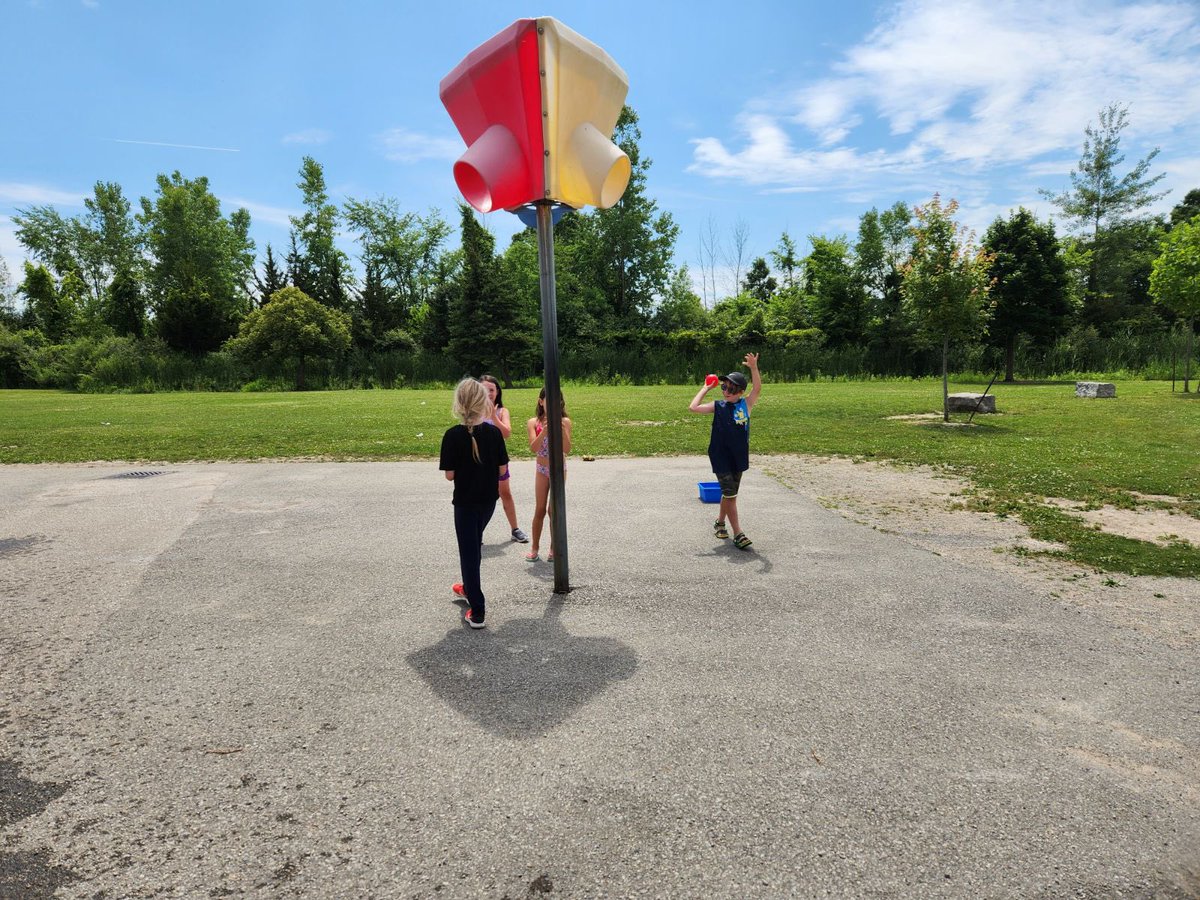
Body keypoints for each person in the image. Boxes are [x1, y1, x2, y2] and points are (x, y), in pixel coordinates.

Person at [439, 377, 509, 629]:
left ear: (459, 404)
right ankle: (468, 587)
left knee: (469, 553)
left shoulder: (452, 436)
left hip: (466, 502)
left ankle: (477, 609)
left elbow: (450, 475)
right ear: (485, 404)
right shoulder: (494, 434)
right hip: (488, 501)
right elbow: (502, 469)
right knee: (473, 545)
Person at [688, 352, 762, 550]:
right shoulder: (717, 406)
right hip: (720, 456)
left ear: (740, 391)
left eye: (731, 388)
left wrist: (753, 368)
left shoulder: (746, 404)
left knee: (730, 495)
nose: (726, 391)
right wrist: (705, 387)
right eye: (724, 387)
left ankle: (720, 523)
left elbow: (757, 388)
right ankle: (738, 533)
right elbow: (693, 407)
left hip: (738, 456)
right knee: (729, 495)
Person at [479, 375, 529, 543]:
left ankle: (515, 529)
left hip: (498, 460)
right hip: (478, 461)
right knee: (481, 496)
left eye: (491, 390)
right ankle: (477, 530)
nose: (488, 393)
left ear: (497, 392)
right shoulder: (473, 410)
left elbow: (506, 433)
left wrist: (493, 416)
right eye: (484, 390)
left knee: (505, 493)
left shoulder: (502, 411)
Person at [524, 387, 572, 562]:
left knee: (554, 510)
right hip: (541, 469)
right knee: (540, 509)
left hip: (559, 469)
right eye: (547, 401)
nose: (551, 405)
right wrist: (543, 431)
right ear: (540, 401)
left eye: (556, 401)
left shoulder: (565, 421)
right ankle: (535, 548)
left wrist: (562, 431)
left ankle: (554, 548)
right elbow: (534, 448)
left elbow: (567, 449)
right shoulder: (533, 422)